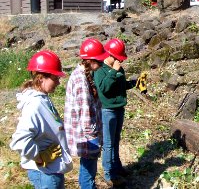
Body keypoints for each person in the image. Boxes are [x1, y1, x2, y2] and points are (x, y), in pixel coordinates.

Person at [10, 50, 73, 189]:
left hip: (51, 170)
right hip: (45, 173)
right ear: (40, 78)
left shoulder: (43, 99)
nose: (58, 82)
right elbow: (20, 140)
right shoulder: (35, 105)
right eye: (55, 77)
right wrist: (39, 157)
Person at [64, 38, 109, 189]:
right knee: (88, 170)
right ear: (89, 60)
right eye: (99, 61)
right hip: (86, 135)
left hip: (89, 133)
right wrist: (93, 138)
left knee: (89, 166)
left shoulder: (87, 74)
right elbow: (85, 115)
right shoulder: (80, 80)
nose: (102, 64)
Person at [93, 38, 135, 186]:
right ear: (109, 55)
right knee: (108, 143)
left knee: (116, 140)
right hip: (108, 110)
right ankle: (109, 173)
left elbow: (120, 86)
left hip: (119, 108)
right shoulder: (100, 70)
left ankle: (117, 166)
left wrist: (134, 83)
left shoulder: (118, 69)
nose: (120, 62)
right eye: (118, 58)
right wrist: (113, 71)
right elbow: (104, 88)